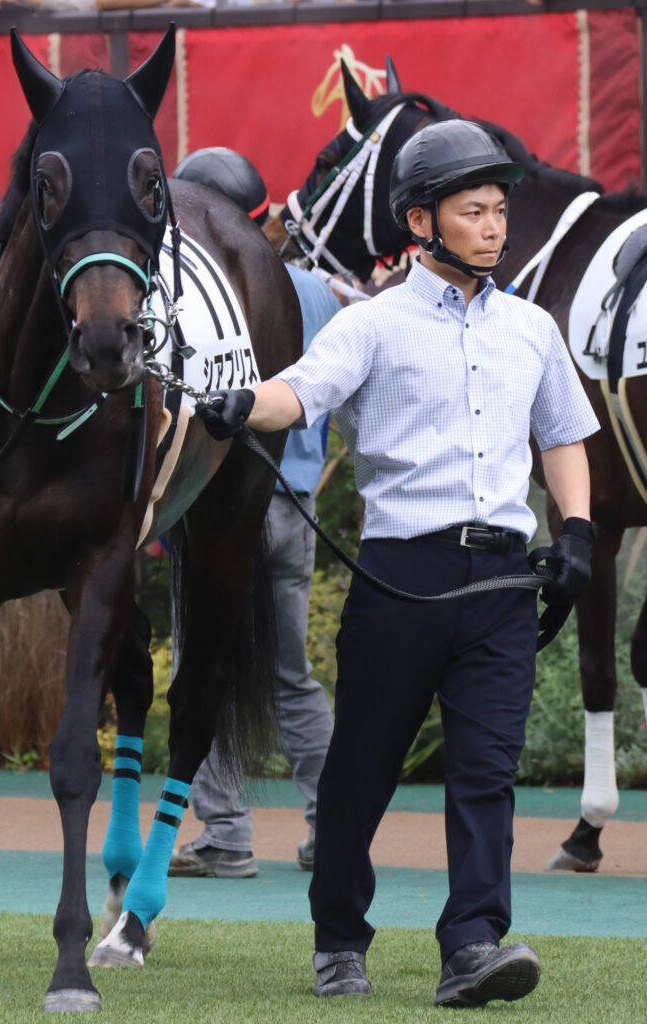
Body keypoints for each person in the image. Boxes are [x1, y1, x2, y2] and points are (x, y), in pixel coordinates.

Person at [194, 121, 600, 1006]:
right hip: (398, 579)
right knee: (360, 773)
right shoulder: (368, 325)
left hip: (500, 581)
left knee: (486, 773)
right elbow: (298, 392)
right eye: (472, 212)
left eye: (498, 211)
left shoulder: (531, 329)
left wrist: (575, 532)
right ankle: (339, 936)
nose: (493, 227)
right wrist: (237, 402)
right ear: (421, 221)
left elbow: (565, 436)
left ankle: (473, 945)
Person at [167, 147, 339, 877]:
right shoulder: (318, 291)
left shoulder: (190, 290)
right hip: (292, 506)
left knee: (200, 663)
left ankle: (225, 833)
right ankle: (330, 824)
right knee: (292, 673)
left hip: (213, 507)